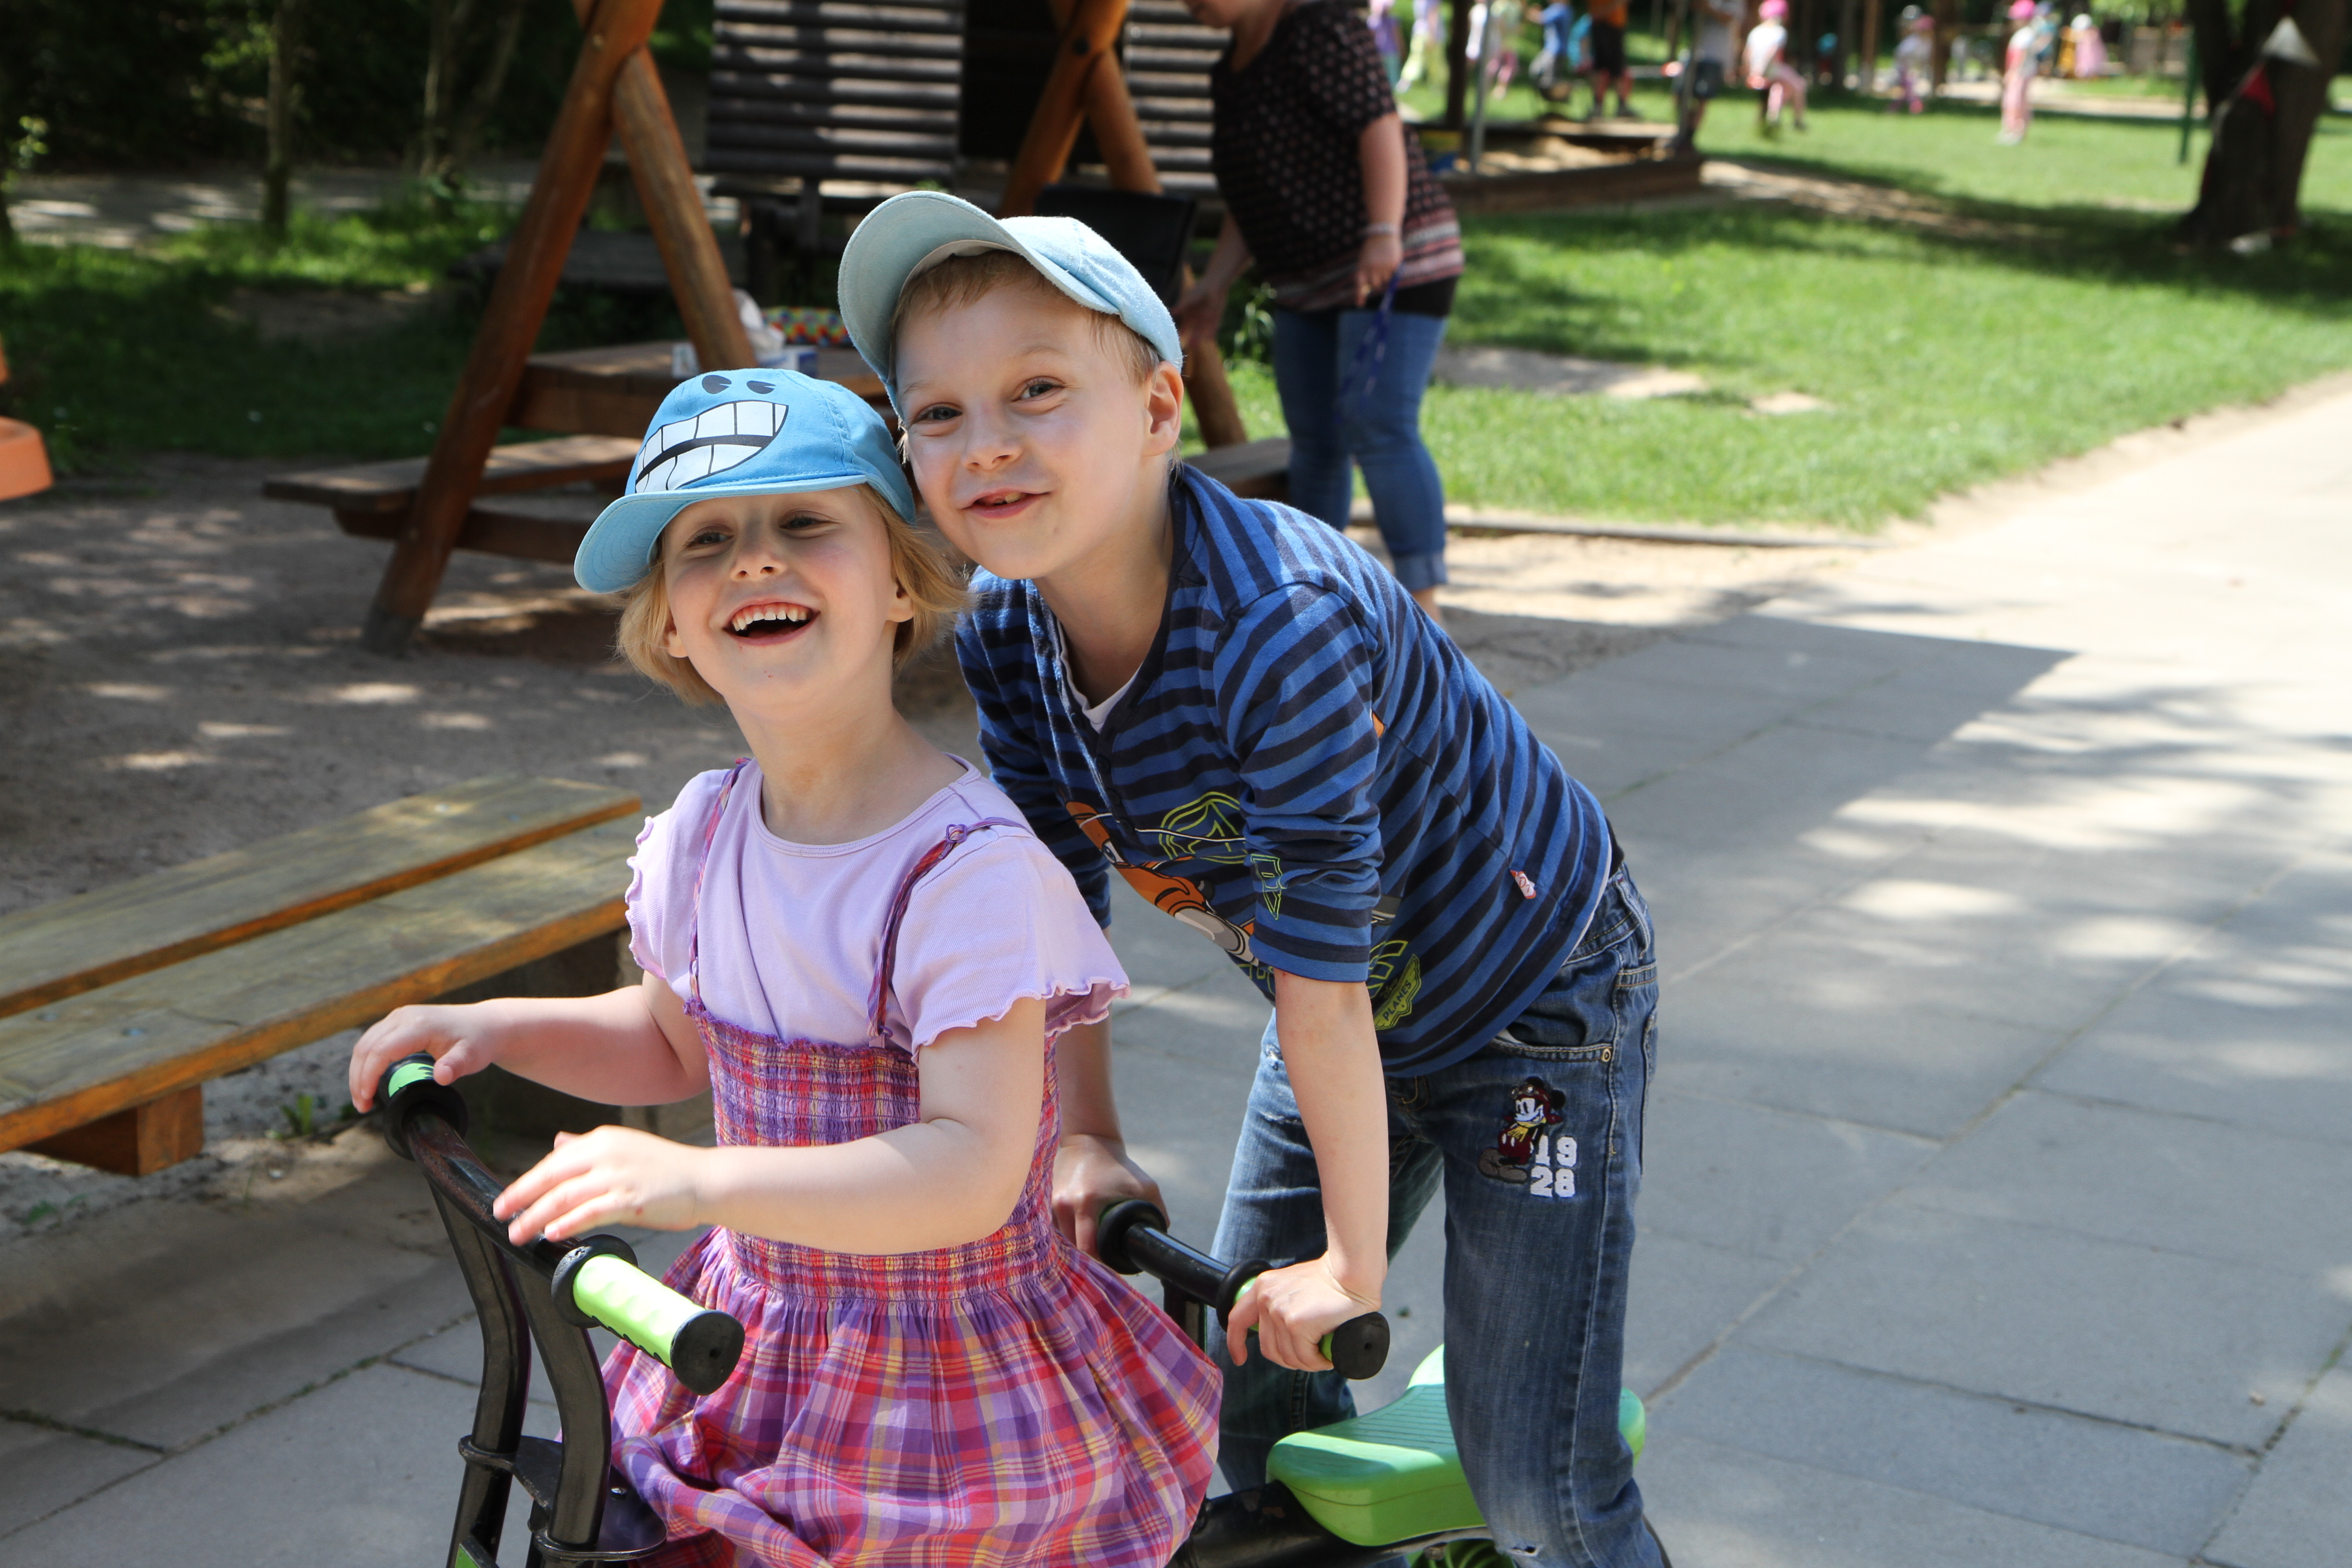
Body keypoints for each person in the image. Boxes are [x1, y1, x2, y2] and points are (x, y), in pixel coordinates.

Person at [837, 193, 1670, 1568]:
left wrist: (1352, 1268)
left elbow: (1324, 991)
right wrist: (1085, 1131)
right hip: (1339, 1002)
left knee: (1537, 1479)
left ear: (1161, 407)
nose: (985, 442)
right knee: (1248, 1392)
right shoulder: (1005, 637)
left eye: (1038, 391)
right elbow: (1052, 903)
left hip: (1537, 1019)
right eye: (937, 413)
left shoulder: (1277, 631)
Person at [346, 370, 1220, 1568]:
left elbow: (970, 1169)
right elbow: (670, 1041)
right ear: (668, 621)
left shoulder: (965, 872)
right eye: (708, 540)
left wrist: (697, 1180)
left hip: (939, 1385)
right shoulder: (704, 839)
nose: (757, 561)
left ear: (904, 579)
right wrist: (500, 1028)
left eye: (807, 523)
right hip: (759, 1339)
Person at [1171, 0, 1465, 620]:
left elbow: (1378, 127)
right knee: (1316, 442)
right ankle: (1314, 601)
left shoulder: (1321, 28)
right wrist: (1215, 287)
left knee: (1378, 425)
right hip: (1307, 280)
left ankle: (1425, 605)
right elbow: (1255, 196)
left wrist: (1384, 231)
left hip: (1398, 259)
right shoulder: (1228, 73)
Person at [1675, 0, 1740, 150]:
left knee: (1703, 97)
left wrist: (1708, 8)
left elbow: (1730, 19)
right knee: (1680, 92)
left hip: (1716, 55)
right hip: (1694, 51)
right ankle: (1682, 130)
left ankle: (1689, 138)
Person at [1744, 0, 1808, 132]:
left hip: (1756, 71)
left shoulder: (1756, 32)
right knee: (1799, 85)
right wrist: (1763, 71)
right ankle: (1798, 120)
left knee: (1779, 88)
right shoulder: (1779, 32)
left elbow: (1747, 54)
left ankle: (1773, 118)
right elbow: (1772, 53)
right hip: (1771, 69)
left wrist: (1751, 72)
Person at [1583, 0, 1635, 118]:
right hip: (1605, 26)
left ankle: (1621, 106)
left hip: (1614, 27)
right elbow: (1597, 11)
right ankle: (1599, 106)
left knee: (1617, 69)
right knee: (1603, 69)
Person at [1999, 0, 2039, 142]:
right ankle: (2011, 129)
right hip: (2021, 74)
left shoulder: (2025, 35)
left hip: (2020, 74)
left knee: (2015, 103)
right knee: (2014, 102)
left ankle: (2016, 131)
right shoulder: (2025, 34)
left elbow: (2019, 57)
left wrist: (2012, 73)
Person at [1890, 5, 1934, 112]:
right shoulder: (1913, 41)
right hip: (1905, 69)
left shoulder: (1927, 43)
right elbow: (1901, 55)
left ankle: (1894, 109)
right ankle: (1915, 107)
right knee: (1909, 91)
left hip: (1914, 70)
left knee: (1907, 92)